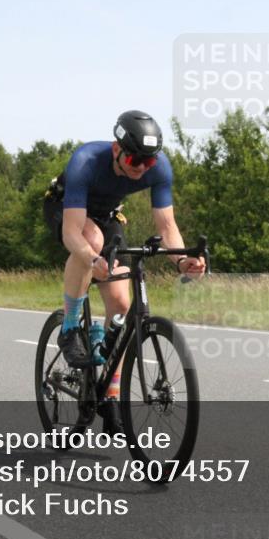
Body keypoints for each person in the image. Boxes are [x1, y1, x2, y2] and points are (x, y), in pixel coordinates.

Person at [43, 110, 205, 367]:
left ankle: (110, 394)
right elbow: (71, 232)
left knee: (120, 303)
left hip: (108, 216)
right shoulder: (86, 161)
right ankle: (70, 327)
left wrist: (182, 260)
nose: (141, 168)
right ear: (117, 148)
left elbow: (167, 226)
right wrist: (91, 258)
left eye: (148, 162)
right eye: (134, 159)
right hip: (65, 207)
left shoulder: (159, 167)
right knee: (92, 240)